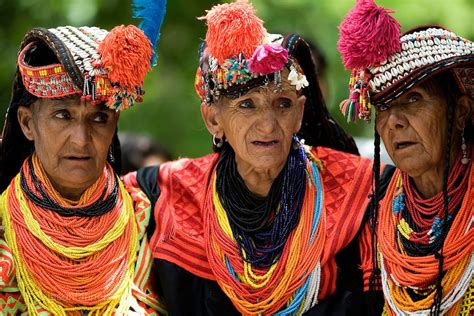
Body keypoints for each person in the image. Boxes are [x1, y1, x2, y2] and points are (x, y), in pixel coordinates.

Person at [123, 0, 377, 314]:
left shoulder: (359, 186)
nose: (268, 124)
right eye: (247, 105)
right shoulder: (162, 191)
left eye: (282, 104)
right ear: (213, 119)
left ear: (299, 113)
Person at [0, 0, 167, 314]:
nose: (81, 139)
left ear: (115, 124)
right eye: (63, 115)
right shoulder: (3, 228)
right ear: (27, 123)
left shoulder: (151, 220)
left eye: (99, 118)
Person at [337, 0, 473, 314]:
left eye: (414, 98)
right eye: (383, 106)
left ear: (461, 113)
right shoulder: (372, 211)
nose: (394, 121)